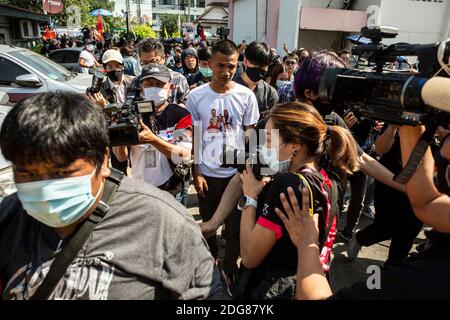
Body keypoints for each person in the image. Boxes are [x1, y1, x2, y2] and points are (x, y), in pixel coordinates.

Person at [0, 92, 221, 300]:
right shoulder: (8, 219)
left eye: (62, 172)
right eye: (28, 173)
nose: (45, 188)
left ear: (102, 161)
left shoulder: (165, 223)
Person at [274, 123, 450, 300]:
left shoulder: (413, 282)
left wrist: (307, 244)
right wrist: (409, 123)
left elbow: (251, 256)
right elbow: (427, 201)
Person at [236, 102, 358, 299]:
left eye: (268, 139)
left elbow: (249, 256)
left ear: (295, 145)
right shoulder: (329, 179)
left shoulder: (287, 184)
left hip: (276, 289)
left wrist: (249, 197)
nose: (263, 147)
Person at [186, 39, 259, 294]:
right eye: (220, 65)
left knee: (237, 229)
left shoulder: (246, 96)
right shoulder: (195, 97)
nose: (226, 71)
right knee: (208, 225)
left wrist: (249, 162)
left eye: (231, 66)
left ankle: (229, 268)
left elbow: (250, 131)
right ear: (209, 64)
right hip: (208, 174)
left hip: (237, 175)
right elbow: (194, 137)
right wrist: (196, 172)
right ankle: (211, 263)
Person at [113, 64, 193, 202]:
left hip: (171, 190)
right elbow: (121, 157)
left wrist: (153, 140)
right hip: (139, 190)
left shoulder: (180, 115)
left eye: (159, 84)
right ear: (141, 88)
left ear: (170, 88)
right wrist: (120, 135)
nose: (154, 88)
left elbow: (183, 155)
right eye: (149, 84)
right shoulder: (132, 115)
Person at [346, 124, 423, 264]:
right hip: (389, 182)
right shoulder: (404, 119)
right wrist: (393, 127)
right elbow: (380, 149)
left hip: (421, 187)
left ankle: (391, 272)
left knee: (407, 233)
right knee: (384, 228)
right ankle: (360, 238)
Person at [135, 38, 190, 105]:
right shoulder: (137, 81)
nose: (150, 66)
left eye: (153, 61)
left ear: (163, 58)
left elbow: (187, 105)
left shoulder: (178, 79)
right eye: (145, 63)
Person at [233, 41, 279, 118]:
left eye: (262, 66)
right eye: (254, 64)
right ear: (245, 61)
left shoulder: (270, 94)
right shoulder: (230, 87)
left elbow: (273, 126)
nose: (258, 68)